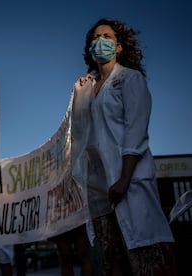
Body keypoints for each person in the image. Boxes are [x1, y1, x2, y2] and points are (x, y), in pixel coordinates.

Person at [72, 18, 177, 275]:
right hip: (98, 189)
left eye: (107, 37)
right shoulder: (86, 89)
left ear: (118, 47)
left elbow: (136, 132)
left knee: (143, 253)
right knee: (109, 259)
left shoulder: (131, 79)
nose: (100, 42)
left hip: (128, 182)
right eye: (96, 38)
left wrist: (124, 179)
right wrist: (78, 96)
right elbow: (78, 135)